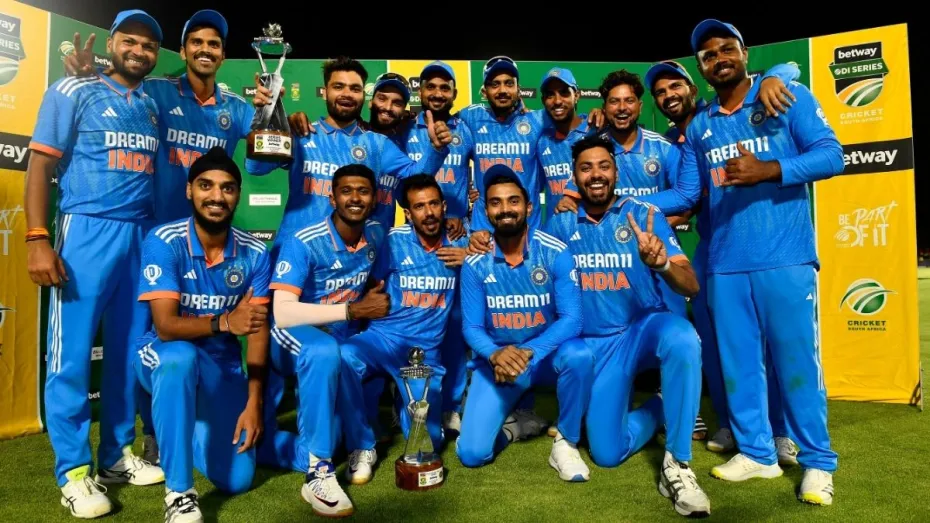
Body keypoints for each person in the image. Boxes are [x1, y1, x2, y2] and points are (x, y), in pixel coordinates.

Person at [62, 9, 310, 465]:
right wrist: (88, 73)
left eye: (214, 44)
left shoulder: (236, 107)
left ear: (223, 55)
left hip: (207, 243)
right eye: (196, 42)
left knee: (180, 345)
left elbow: (259, 162)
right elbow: (120, 87)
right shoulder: (156, 91)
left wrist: (274, 113)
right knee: (143, 342)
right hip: (153, 237)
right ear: (183, 50)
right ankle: (148, 436)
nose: (205, 50)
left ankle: (185, 426)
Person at [645, 19, 843, 505]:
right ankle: (757, 453)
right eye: (708, 55)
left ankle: (818, 463)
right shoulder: (702, 124)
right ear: (701, 68)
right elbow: (688, 193)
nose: (719, 59)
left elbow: (832, 156)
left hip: (786, 257)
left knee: (797, 363)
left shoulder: (784, 95)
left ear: (744, 52)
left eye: (726, 49)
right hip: (725, 264)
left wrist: (770, 169)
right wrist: (626, 201)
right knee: (739, 365)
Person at [25, 10, 165, 518]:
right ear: (111, 43)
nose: (139, 51)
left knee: (128, 352)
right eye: (130, 41)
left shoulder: (151, 104)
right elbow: (40, 164)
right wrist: (37, 238)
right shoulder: (72, 90)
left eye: (149, 46)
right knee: (71, 357)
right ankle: (73, 473)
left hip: (140, 236)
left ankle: (116, 457)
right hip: (85, 229)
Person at [643, 59, 801, 460]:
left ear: (693, 88)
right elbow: (686, 194)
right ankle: (733, 424)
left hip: (758, 245)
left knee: (765, 342)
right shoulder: (674, 140)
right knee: (716, 344)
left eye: (675, 86)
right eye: (660, 92)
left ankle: (780, 430)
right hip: (711, 248)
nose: (668, 96)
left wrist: (775, 76)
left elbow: (789, 67)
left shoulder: (724, 112)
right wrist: (646, 206)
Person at [545, 135, 708, 517]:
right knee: (607, 453)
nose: (596, 174)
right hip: (596, 345)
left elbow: (691, 285)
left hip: (639, 330)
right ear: (574, 176)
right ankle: (660, 407)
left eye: (604, 166)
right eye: (586, 168)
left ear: (616, 172)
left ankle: (678, 464)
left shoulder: (643, 215)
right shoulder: (559, 223)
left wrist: (661, 264)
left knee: (683, 337)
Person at [133, 147, 271, 522]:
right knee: (181, 357)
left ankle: (183, 425)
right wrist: (224, 321)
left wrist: (253, 403)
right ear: (189, 190)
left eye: (227, 188)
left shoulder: (255, 252)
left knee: (237, 480)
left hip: (220, 366)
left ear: (237, 195)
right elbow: (166, 326)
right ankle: (179, 493)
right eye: (206, 186)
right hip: (162, 353)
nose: (216, 196)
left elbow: (257, 329)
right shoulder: (164, 240)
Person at [265, 163, 390, 517]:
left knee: (332, 436)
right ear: (332, 198)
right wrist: (353, 310)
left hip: (336, 339)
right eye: (346, 191)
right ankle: (318, 473)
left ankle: (260, 445)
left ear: (375, 199)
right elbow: (282, 313)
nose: (355, 198)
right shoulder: (304, 241)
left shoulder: (376, 234)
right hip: (292, 335)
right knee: (324, 350)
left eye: (363, 191)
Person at [456, 165, 593, 484]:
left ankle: (566, 442)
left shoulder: (555, 251)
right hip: (501, 364)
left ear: (529, 207)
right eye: (496, 202)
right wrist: (494, 354)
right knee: (472, 455)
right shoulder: (475, 262)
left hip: (544, 358)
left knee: (579, 355)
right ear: (486, 211)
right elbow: (471, 327)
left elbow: (572, 318)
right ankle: (514, 428)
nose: (505, 209)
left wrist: (527, 351)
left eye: (513, 201)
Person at [338, 174, 470, 483]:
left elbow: (500, 256)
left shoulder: (460, 243)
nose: (429, 213)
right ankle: (362, 445)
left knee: (429, 443)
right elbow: (368, 284)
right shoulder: (392, 240)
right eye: (419, 207)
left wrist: (470, 257)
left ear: (444, 206)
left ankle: (405, 404)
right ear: (408, 213)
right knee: (343, 357)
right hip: (382, 339)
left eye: (434, 204)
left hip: (424, 354)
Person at [247, 56, 452, 240]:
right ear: (325, 92)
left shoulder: (377, 144)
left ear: (363, 96)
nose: (347, 94)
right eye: (338, 87)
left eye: (355, 89)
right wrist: (263, 116)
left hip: (349, 260)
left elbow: (417, 175)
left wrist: (436, 148)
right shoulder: (301, 133)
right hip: (294, 252)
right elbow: (255, 168)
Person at [399, 61, 476, 432]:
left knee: (456, 322)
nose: (438, 93)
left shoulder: (467, 128)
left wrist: (467, 216)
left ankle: (452, 405)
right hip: (415, 236)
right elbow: (404, 181)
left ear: (454, 94)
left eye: (445, 88)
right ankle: (406, 398)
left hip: (455, 233)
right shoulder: (404, 128)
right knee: (417, 319)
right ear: (421, 91)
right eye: (431, 87)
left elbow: (484, 177)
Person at [536, 67, 596, 221]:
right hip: (556, 229)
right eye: (550, 95)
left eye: (564, 92)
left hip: (593, 228)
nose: (557, 101)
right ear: (543, 101)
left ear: (576, 96)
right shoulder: (542, 141)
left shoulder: (596, 132)